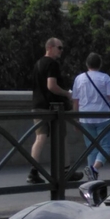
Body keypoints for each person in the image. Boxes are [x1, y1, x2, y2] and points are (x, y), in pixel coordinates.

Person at [27, 38, 70, 184]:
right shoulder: (52, 64)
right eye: (59, 48)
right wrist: (66, 93)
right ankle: (65, 171)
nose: (61, 51)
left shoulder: (37, 63)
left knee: (40, 138)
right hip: (52, 107)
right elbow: (51, 86)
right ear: (50, 48)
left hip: (37, 105)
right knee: (61, 137)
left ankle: (33, 172)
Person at [71, 51, 110, 175]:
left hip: (85, 117)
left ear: (87, 64)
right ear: (100, 64)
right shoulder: (105, 78)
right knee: (106, 146)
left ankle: (91, 178)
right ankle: (95, 168)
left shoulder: (79, 78)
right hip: (103, 117)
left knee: (91, 148)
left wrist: (76, 119)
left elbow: (75, 100)